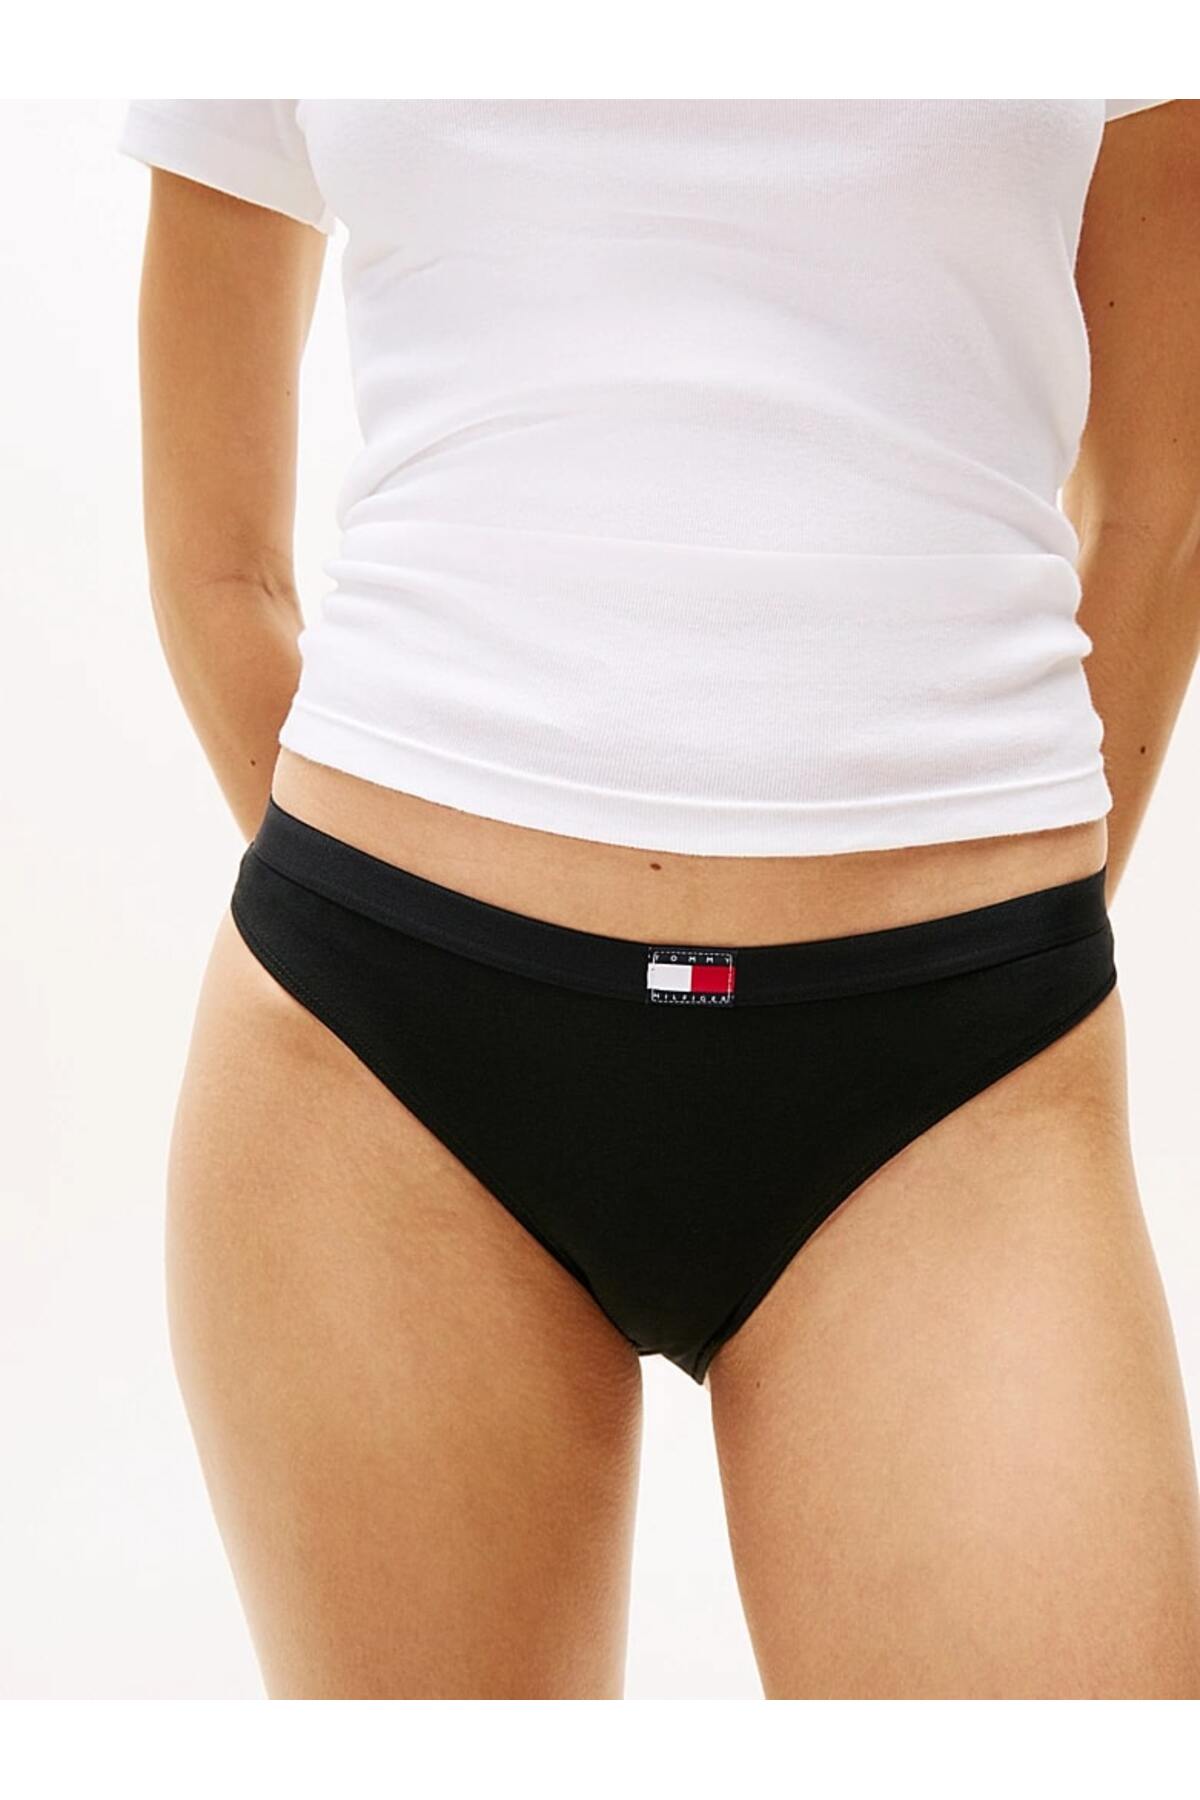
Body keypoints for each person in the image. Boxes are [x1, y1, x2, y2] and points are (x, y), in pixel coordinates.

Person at [120, 98, 1200, 1699]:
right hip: (383, 1067)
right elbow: (216, 557)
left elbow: (1163, 508)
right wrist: (408, 923)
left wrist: (963, 944)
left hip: (955, 1075)